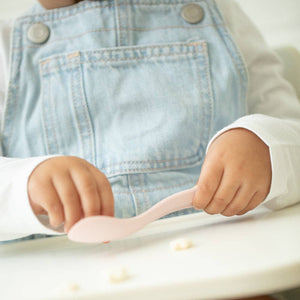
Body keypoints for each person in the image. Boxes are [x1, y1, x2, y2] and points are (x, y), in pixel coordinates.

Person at [1, 0, 300, 299]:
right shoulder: (6, 45)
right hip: (70, 283)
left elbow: (292, 130)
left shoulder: (220, 12)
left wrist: (265, 142)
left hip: (224, 270)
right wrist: (23, 186)